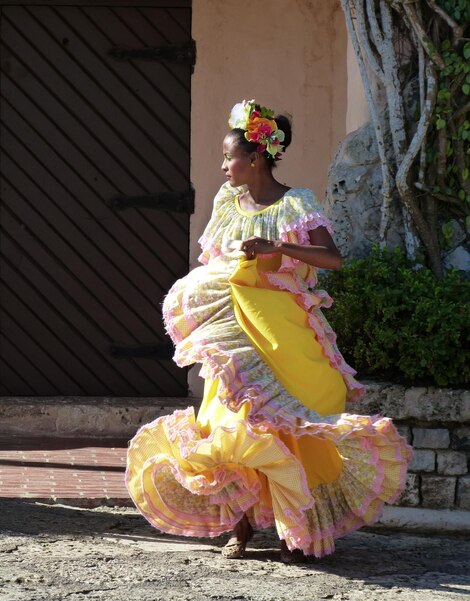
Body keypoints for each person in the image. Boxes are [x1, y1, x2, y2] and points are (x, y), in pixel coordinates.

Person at [126, 99, 412, 564]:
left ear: (255, 158)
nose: (223, 167)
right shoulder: (227, 203)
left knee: (289, 425)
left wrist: (277, 247)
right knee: (228, 420)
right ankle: (239, 530)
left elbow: (332, 259)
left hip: (281, 327)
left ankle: (291, 529)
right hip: (235, 331)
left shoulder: (295, 203)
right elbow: (215, 264)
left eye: (229, 157)